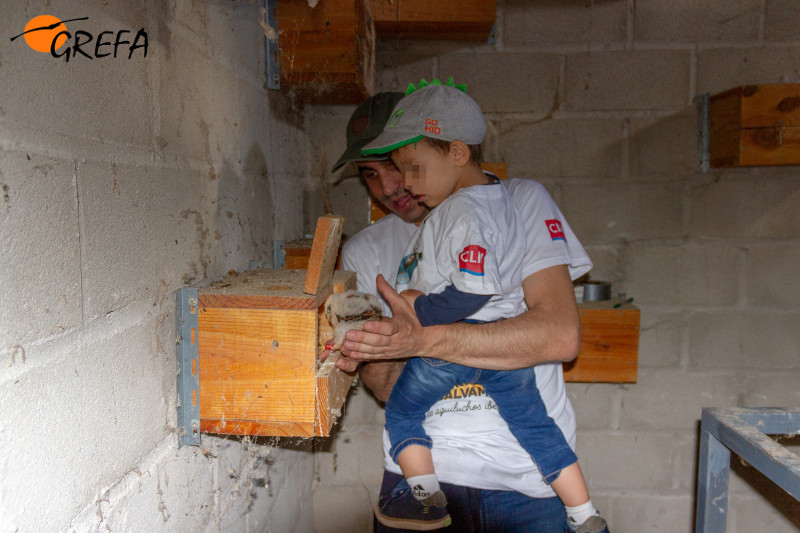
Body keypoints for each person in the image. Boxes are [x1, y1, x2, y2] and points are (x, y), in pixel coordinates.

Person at [328, 89, 593, 532]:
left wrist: (422, 339)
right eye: (370, 175)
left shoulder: (518, 203)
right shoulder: (365, 251)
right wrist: (366, 351)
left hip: (523, 479)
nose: (391, 187)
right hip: (415, 475)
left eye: (397, 165)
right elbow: (392, 390)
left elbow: (560, 336)